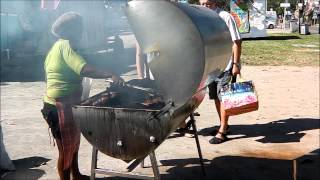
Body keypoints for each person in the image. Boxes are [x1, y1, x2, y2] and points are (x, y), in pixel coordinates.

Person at [41, 12, 124, 180]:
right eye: (79, 29)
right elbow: (84, 69)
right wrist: (111, 74)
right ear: (71, 30)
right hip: (59, 107)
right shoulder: (66, 45)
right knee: (65, 150)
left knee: (74, 144)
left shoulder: (57, 47)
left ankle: (76, 174)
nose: (82, 32)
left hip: (67, 103)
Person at [200, 0, 242, 144]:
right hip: (211, 65)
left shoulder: (225, 17)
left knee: (223, 96)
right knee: (216, 97)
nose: (205, 6)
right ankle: (224, 124)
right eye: (203, 4)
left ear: (215, 2)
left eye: (208, 3)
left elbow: (236, 42)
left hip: (226, 64)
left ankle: (223, 130)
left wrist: (236, 64)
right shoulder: (202, 18)